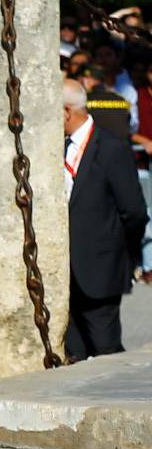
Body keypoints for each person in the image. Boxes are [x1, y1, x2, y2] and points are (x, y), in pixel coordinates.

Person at [64, 79, 147, 360]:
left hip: (100, 270)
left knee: (106, 351)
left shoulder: (111, 147)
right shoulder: (54, 148)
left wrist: (120, 254)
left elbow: (134, 211)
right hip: (64, 273)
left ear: (66, 111)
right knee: (72, 353)